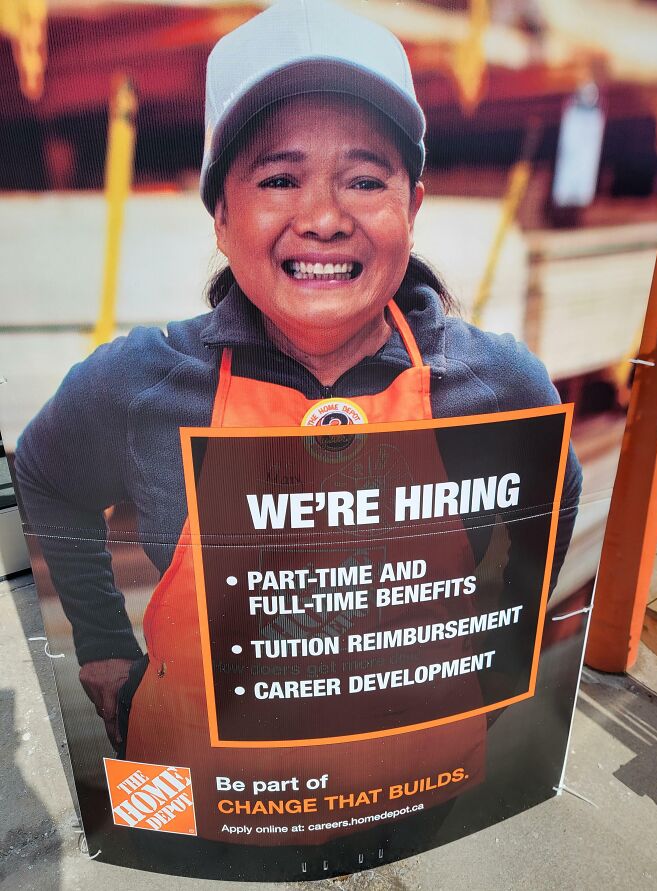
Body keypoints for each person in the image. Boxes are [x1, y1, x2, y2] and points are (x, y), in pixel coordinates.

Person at [15, 0, 582, 844]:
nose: (322, 216)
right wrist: (100, 641)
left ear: (413, 203)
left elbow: (552, 501)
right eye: (279, 178)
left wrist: (502, 656)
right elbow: (45, 476)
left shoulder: (498, 382)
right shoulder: (138, 382)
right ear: (221, 213)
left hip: (423, 792)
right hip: (186, 803)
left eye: (365, 178)